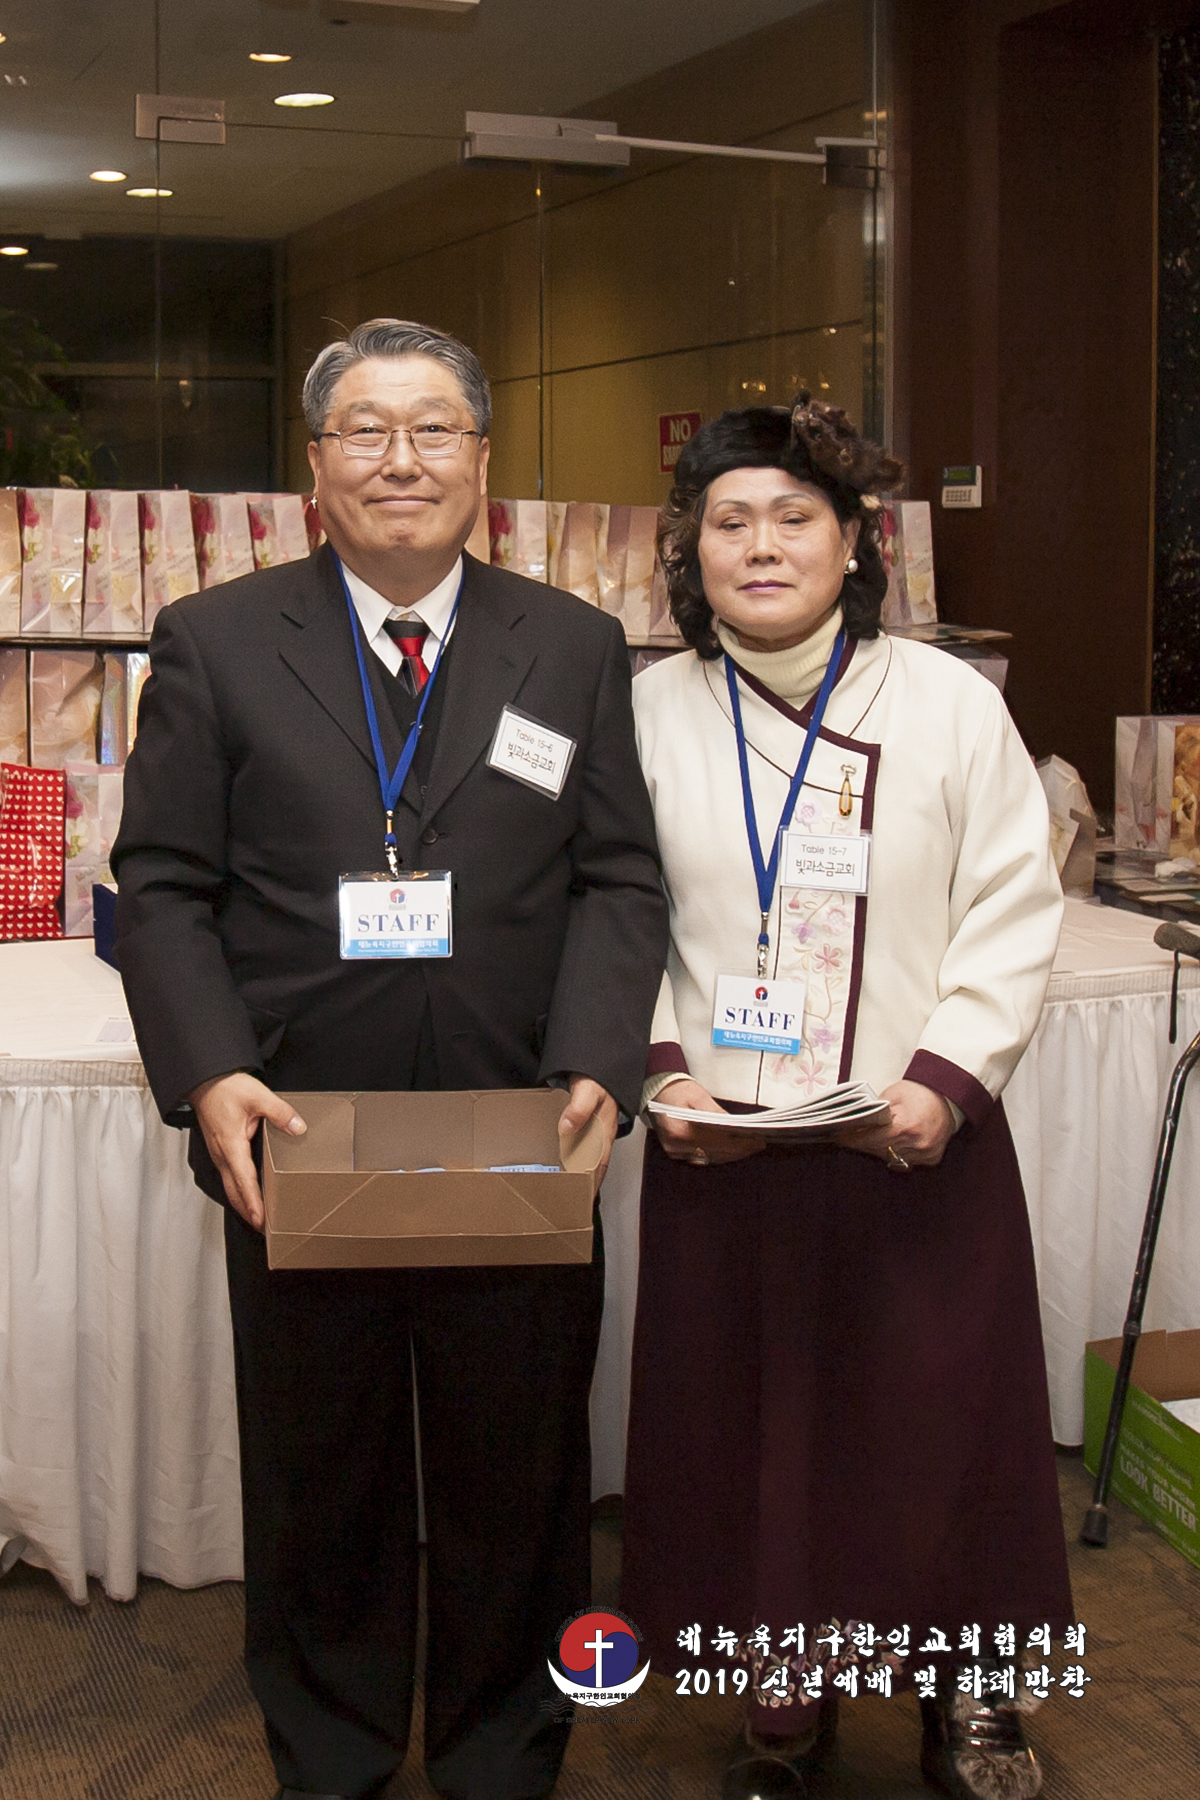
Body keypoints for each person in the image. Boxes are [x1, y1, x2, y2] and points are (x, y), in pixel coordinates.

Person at [112, 318, 668, 1800]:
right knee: (323, 1479)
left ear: (483, 461)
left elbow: (621, 875)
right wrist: (211, 1073)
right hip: (298, 1134)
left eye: (433, 429)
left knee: (520, 1478)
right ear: (315, 469)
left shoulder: (574, 644)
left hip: (523, 1126)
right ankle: (334, 1758)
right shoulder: (217, 640)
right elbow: (161, 885)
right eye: (366, 429)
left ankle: (505, 1758)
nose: (400, 459)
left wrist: (598, 1057)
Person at [619, 399, 1072, 1800]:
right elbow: (614, 916)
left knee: (943, 1432)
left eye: (793, 517)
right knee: (751, 1441)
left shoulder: (947, 702)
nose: (761, 547)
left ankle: (971, 1696)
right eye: (729, 522)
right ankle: (784, 1700)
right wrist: (660, 1071)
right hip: (726, 1148)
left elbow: (1013, 900)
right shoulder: (647, 712)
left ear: (855, 541)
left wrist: (947, 1081)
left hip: (910, 1144)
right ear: (690, 552)